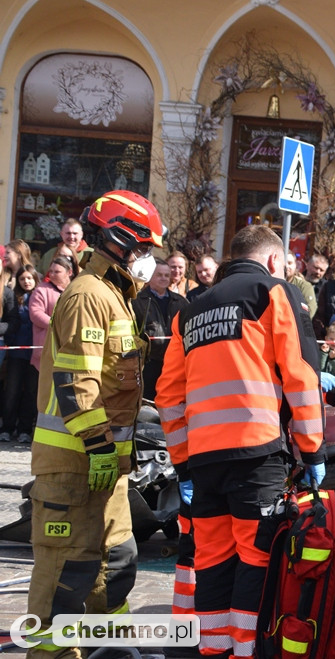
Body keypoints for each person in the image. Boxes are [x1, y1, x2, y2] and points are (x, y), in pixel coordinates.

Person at [157, 224, 325, 658]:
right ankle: (247, 653)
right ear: (273, 261)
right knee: (256, 558)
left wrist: (182, 462)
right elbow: (301, 376)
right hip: (257, 452)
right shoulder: (273, 293)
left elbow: (169, 396)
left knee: (211, 560)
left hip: (204, 461)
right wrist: (312, 451)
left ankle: (213, 650)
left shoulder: (190, 312)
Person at [26, 190, 164, 656]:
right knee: (66, 582)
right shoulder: (88, 295)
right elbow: (75, 381)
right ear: (119, 240)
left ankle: (113, 650)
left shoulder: (114, 296)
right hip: (74, 466)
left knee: (117, 565)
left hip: (107, 472)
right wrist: (100, 446)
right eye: (143, 248)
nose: (147, 259)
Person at [133, 258, 188, 401]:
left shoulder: (180, 302)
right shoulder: (138, 301)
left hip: (173, 363)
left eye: (166, 275)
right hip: (148, 364)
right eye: (159, 275)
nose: (163, 278)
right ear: (150, 276)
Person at [3, 266, 39, 444]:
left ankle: (25, 429)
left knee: (31, 392)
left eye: (29, 278)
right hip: (17, 352)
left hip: (35, 352)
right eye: (23, 278)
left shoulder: (39, 296)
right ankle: (7, 428)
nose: (26, 282)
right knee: (12, 390)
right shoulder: (14, 297)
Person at [28, 256, 75, 373]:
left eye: (57, 272)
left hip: (70, 349)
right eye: (51, 271)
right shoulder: (41, 290)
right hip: (46, 348)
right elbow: (35, 313)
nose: (52, 274)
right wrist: (55, 325)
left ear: (69, 272)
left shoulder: (76, 289)